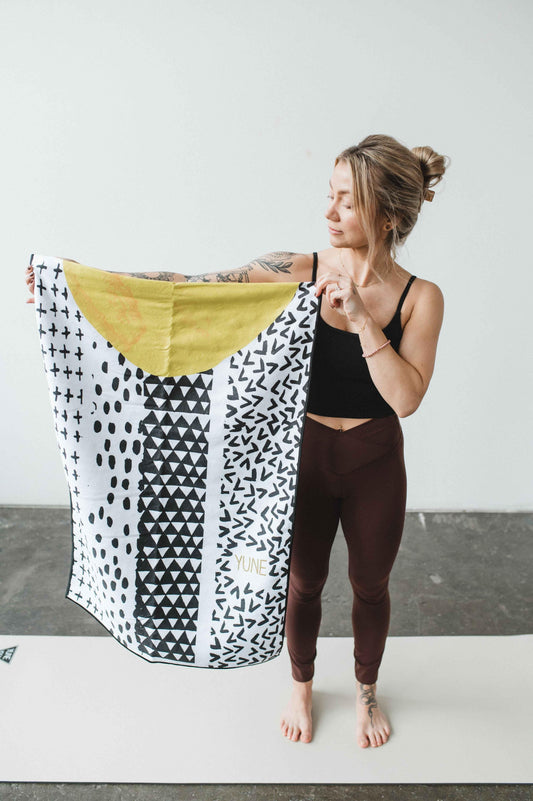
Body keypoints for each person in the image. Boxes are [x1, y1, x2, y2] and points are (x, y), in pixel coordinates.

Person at [25, 133, 447, 749]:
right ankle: (300, 684)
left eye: (346, 201)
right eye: (328, 196)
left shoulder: (420, 298)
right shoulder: (298, 271)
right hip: (301, 458)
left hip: (375, 461)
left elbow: (405, 398)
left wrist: (360, 318)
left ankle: (365, 691)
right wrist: (80, 283)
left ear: (385, 215)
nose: (328, 212)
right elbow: (190, 286)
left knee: (370, 585)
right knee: (300, 582)